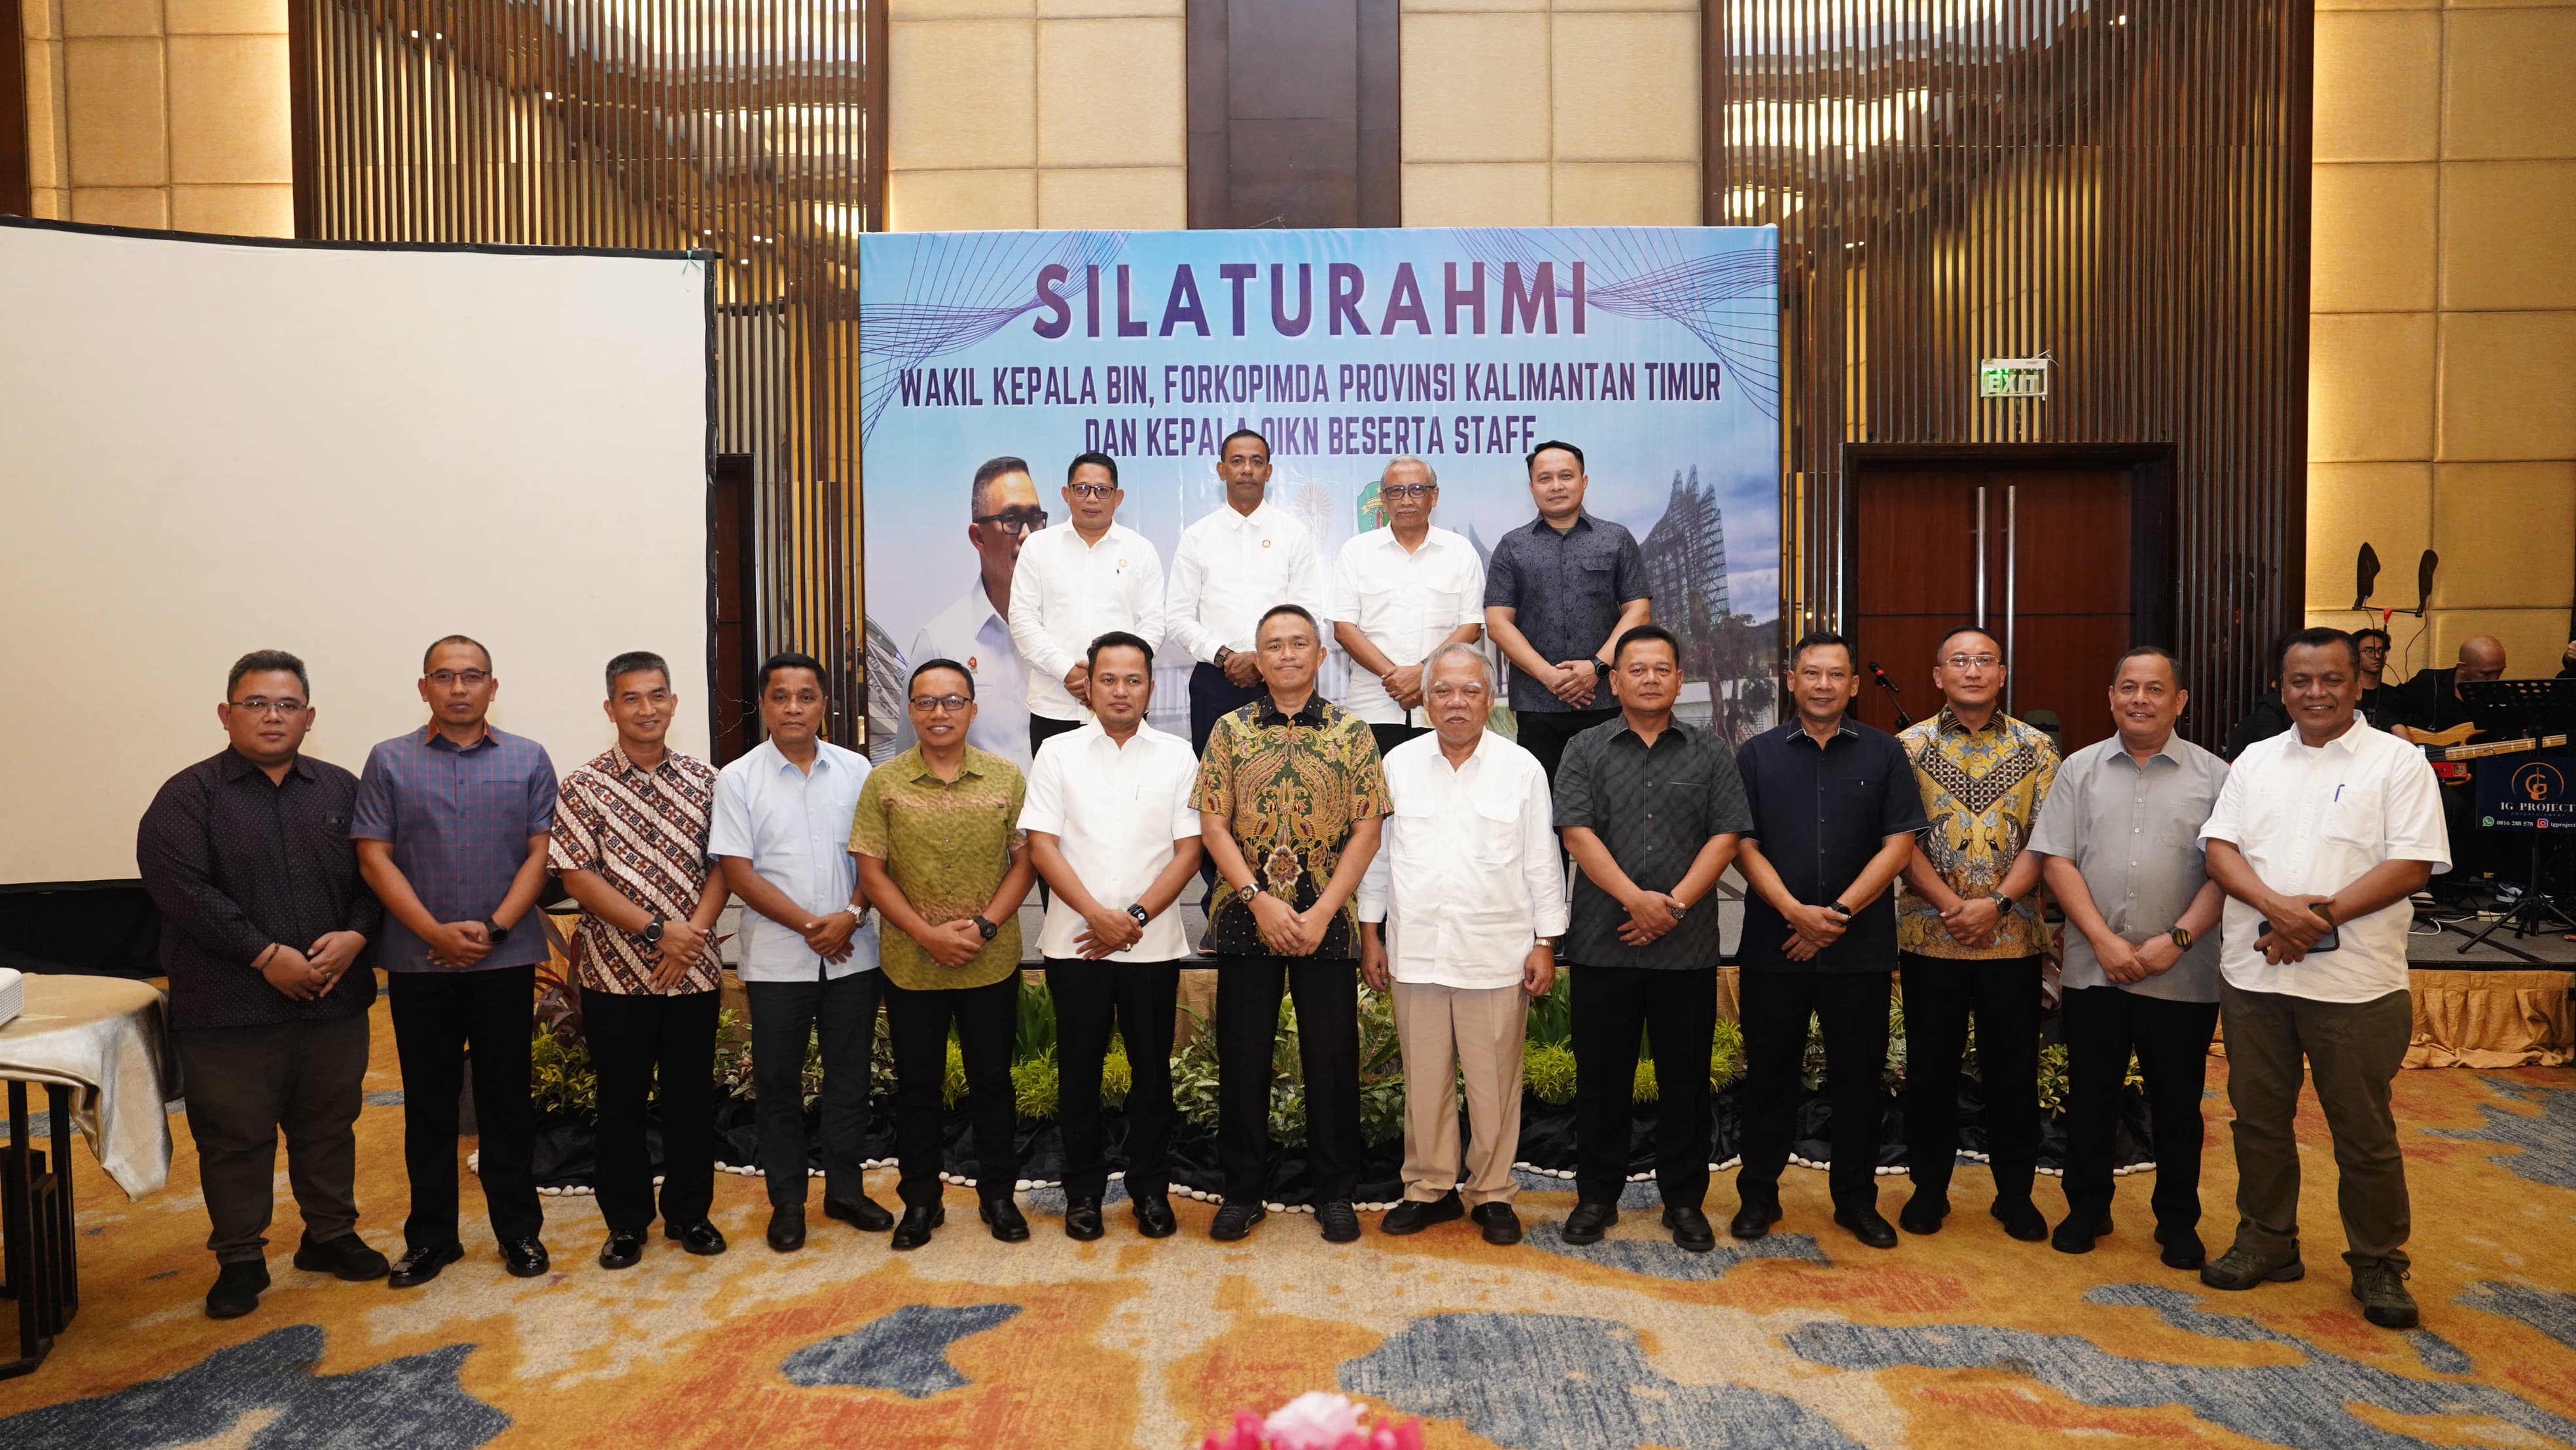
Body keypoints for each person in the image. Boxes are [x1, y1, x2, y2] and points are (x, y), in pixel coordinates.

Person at [2198, 626, 2448, 1330]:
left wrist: (2315, 918)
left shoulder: (2398, 762)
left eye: (2331, 679)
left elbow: (2412, 864)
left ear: (2356, 681)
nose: (2315, 692)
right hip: (2256, 977)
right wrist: (2281, 910)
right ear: (2282, 686)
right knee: (2258, 1121)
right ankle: (2267, 1240)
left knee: (2363, 1131)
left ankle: (2378, 1261)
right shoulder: (2253, 760)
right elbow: (2221, 850)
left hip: (2356, 986)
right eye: (2300, 680)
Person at [136, 650, 386, 1320]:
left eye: (286, 704)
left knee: (329, 1124)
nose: (272, 716)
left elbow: (380, 876)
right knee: (233, 1133)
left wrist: (359, 934)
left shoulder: (342, 790)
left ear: (309, 716)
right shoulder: (188, 797)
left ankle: (329, 1235)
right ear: (226, 713)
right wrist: (264, 953)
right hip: (229, 1005)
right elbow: (182, 890)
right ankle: (241, 1255)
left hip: (335, 998)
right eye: (256, 703)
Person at [352, 636, 556, 1286]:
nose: (460, 687)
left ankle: (519, 1232)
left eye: (473, 676)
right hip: (420, 962)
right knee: (430, 1104)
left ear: (494, 687)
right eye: (446, 676)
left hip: (506, 960)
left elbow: (540, 852)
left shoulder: (529, 758)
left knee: (506, 1101)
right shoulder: (389, 760)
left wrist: (495, 928)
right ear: (424, 687)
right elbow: (374, 857)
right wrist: (432, 932)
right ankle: (433, 1237)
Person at [1550, 625, 1751, 1251]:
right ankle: (1597, 1198)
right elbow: (1575, 833)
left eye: (1662, 669)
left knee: (1684, 1081)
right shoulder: (1584, 748)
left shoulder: (1711, 751)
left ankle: (1684, 1203)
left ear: (1678, 678)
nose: (1649, 679)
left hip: (1685, 946)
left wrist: (1676, 905)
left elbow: (1727, 836)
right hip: (1601, 940)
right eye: (1636, 670)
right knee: (1601, 1079)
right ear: (1615, 681)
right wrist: (1636, 901)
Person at [2026, 646, 2228, 1265]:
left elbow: (2227, 869)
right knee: (2090, 1097)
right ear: (2110, 697)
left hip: (2183, 972)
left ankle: (2177, 1219)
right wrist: (2106, 943)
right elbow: (2057, 860)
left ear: (2180, 700)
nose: (2141, 699)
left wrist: (2179, 941)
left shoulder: (2218, 777)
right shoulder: (2078, 771)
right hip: (2096, 969)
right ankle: (2087, 1206)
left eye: (2155, 689)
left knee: (2177, 1102)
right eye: (2129, 688)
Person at [1193, 604, 1388, 1243]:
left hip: (1324, 918)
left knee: (1331, 1059)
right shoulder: (1228, 730)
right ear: (1258, 655)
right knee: (1243, 1058)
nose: (1285, 654)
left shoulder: (1353, 732)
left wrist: (1326, 907)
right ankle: (1242, 1190)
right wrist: (1257, 898)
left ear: (1320, 654)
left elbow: (1368, 828)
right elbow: (1213, 824)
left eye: (1298, 642)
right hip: (1249, 915)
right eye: (1272, 644)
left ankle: (1336, 1191)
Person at [1359, 643, 1566, 1246]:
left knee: (1493, 1081)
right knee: (1424, 1080)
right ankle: (1429, 1189)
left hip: (1496, 950)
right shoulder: (1396, 763)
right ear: (1425, 701)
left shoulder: (1521, 767)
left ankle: (1492, 1193)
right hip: (1417, 948)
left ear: (1490, 699)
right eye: (1443, 692)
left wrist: (1546, 941)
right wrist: (1371, 933)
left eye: (1470, 692)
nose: (1456, 703)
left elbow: (1541, 860)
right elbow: (1377, 859)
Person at [1731, 631, 1927, 1249]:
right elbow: (1741, 844)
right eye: (1810, 673)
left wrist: (1834, 915)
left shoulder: (1885, 754)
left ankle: (1856, 1202)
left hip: (1859, 949)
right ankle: (1759, 1197)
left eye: (1834, 675)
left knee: (1858, 1081)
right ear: (1791, 681)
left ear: (1853, 684)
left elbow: (1900, 845)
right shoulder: (1755, 755)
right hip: (1774, 944)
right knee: (1768, 1078)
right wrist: (1794, 912)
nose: (1822, 684)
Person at [548, 652, 730, 1269]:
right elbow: (577, 876)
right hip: (613, 976)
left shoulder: (708, 782)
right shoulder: (582, 786)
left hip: (694, 973)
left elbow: (723, 867)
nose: (646, 709)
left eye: (657, 696)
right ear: (610, 708)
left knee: (690, 1100)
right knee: (620, 1105)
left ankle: (690, 1213)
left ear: (674, 703)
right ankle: (626, 1224)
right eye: (632, 698)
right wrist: (658, 931)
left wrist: (692, 937)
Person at [852, 660, 1039, 1250]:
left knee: (992, 1084)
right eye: (927, 703)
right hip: (911, 963)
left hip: (991, 959)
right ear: (911, 711)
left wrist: (983, 927)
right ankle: (921, 1203)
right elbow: (871, 873)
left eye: (952, 702)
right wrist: (927, 935)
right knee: (917, 1090)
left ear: (973, 710)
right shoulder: (884, 783)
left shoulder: (1007, 778)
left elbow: (1026, 862)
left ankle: (999, 1199)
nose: (939, 713)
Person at [1022, 631, 1201, 1241]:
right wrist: (1097, 917)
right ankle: (1084, 1195)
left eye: (1133, 680)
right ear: (1087, 685)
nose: (1120, 691)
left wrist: (1136, 918)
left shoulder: (1178, 756)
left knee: (1153, 1076)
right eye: (1108, 679)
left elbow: (1189, 849)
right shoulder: (1058, 754)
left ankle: (1151, 1191)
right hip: (1075, 942)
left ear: (1151, 686)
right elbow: (1041, 845)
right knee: (1080, 1074)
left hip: (1152, 946)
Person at [710, 651, 887, 1253]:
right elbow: (737, 871)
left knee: (849, 1081)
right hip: (779, 961)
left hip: (854, 954)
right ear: (762, 705)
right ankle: (787, 1204)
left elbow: (875, 858)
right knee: (779, 1086)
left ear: (823, 705)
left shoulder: (859, 770)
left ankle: (845, 1191)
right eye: (780, 696)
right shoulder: (737, 779)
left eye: (805, 696)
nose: (793, 707)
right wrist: (816, 925)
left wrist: (854, 914)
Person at [1893, 626, 2060, 1243]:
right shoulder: (1904, 748)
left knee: (2012, 1073)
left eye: (1984, 661)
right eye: (1959, 661)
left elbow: (2049, 841)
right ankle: (1928, 1190)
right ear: (1938, 675)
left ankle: (2014, 1194)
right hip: (1927, 937)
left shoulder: (2038, 749)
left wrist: (1995, 902)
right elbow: (1899, 839)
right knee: (1930, 1073)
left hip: (2011, 939)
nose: (1972, 670)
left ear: (2003, 672)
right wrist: (1950, 905)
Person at [1482, 440, 1652, 785]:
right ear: (1531, 487)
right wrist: (1549, 676)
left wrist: (1597, 667)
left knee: (1611, 803)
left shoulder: (1616, 539)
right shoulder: (1511, 546)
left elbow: (1638, 610)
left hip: (1605, 698)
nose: (1556, 485)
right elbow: (1498, 622)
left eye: (1566, 476)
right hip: (1537, 704)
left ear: (1584, 481)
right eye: (1544, 478)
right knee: (1542, 808)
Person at [1166, 429, 1326, 756]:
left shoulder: (1293, 534)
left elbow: (1307, 614)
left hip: (1284, 677)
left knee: (1287, 786)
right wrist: (1225, 657)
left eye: (1257, 461)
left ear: (1269, 471)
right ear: (1221, 469)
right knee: (1217, 792)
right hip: (1215, 679)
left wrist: (1261, 661)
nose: (1247, 469)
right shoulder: (1197, 536)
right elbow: (1178, 618)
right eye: (1237, 461)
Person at [1007, 451, 1166, 760]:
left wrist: (1110, 678)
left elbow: (1153, 625)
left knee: (1125, 799)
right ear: (1066, 494)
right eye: (1082, 489)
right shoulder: (1038, 547)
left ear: (1117, 497)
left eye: (1102, 490)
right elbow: (1023, 620)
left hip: (1122, 706)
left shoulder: (1140, 550)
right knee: (1057, 803)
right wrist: (1067, 671)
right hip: (1054, 703)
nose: (1091, 498)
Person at [1331, 457, 1486, 760]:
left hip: (1443, 707)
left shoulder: (1460, 552)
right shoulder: (1357, 552)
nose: (1406, 500)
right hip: (1372, 706)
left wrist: (1423, 674)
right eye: (1395, 491)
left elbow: (1471, 626)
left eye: (1417, 489)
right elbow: (1344, 629)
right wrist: (1397, 678)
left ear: (1434, 495)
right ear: (1383, 499)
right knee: (1372, 802)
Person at [904, 455, 1043, 771]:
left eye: (1035, 519)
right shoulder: (940, 642)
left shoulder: (1069, 631)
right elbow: (910, 767)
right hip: (975, 819)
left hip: (1060, 821)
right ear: (978, 537)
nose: (1026, 535)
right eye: (1011, 519)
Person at [2388, 633, 2507, 740]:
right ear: (2462, 668)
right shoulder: (2429, 681)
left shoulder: (2505, 695)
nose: (2494, 679)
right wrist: (2398, 728)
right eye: (2486, 674)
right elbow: (2386, 709)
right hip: (2430, 760)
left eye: (2500, 671)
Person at [2353, 628, 2397, 728]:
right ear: (2354, 655)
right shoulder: (2347, 694)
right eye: (2369, 651)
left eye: (2381, 651)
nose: (2377, 656)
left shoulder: (2395, 694)